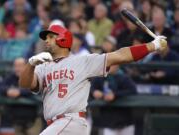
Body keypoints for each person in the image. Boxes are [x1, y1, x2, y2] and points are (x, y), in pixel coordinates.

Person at [19, 24, 168, 135]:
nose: (46, 41)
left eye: (51, 37)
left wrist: (152, 45)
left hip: (70, 121)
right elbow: (25, 84)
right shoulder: (42, 67)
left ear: (63, 39)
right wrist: (31, 64)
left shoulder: (83, 61)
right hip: (55, 124)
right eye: (46, 38)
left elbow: (120, 55)